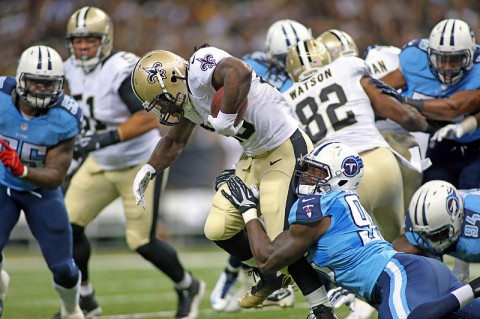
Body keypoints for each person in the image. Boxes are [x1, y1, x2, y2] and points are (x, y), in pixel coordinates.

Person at [131, 45, 337, 318]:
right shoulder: (186, 102)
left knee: (279, 242)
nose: (162, 109)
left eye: (161, 100)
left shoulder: (199, 68)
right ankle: (270, 276)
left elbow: (238, 71)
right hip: (253, 158)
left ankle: (321, 308)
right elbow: (173, 142)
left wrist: (226, 116)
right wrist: (148, 169)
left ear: (170, 80)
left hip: (284, 147)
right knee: (217, 228)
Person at [221, 141, 480, 319]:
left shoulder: (320, 205)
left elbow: (267, 259)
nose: (306, 177)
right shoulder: (338, 204)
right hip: (412, 273)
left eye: (316, 172)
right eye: (308, 169)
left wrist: (247, 209)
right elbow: (287, 254)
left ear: (340, 178)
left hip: (401, 275)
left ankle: (475, 287)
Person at [62, 7, 204, 319]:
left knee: (141, 242)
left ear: (105, 39)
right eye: (78, 40)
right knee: (67, 227)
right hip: (100, 163)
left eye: (90, 39)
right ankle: (85, 300)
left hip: (137, 162)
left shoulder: (119, 68)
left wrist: (102, 139)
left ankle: (187, 285)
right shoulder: (69, 68)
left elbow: (147, 119)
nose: (83, 46)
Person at [210, 18, 313, 312]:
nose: (290, 61)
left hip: (288, 141)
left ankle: (285, 280)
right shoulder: (252, 67)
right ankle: (238, 272)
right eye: (283, 57)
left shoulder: (308, 68)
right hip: (249, 141)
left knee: (276, 218)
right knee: (242, 212)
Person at [283, 39, 430, 243]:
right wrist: (424, 124)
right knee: (397, 239)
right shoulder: (347, 67)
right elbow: (402, 116)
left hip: (343, 178)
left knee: (361, 251)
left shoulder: (286, 100)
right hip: (383, 161)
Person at [0, 45, 84, 319]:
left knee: (64, 268)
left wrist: (22, 170)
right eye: (35, 80)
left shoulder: (66, 116)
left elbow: (55, 177)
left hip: (39, 192)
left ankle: (71, 310)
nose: (40, 89)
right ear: (20, 78)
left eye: (48, 84)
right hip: (1, 186)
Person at [379, 18, 480, 190]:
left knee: (470, 189)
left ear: (470, 56)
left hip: (476, 143)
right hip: (439, 142)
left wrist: (403, 101)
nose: (447, 67)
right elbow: (379, 88)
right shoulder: (414, 59)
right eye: (441, 59)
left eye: (455, 60)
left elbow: (453, 108)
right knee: (433, 189)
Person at [392, 180, 480, 282]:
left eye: (438, 235)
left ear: (458, 216)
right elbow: (399, 247)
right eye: (424, 235)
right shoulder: (418, 222)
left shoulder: (474, 233)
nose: (431, 242)